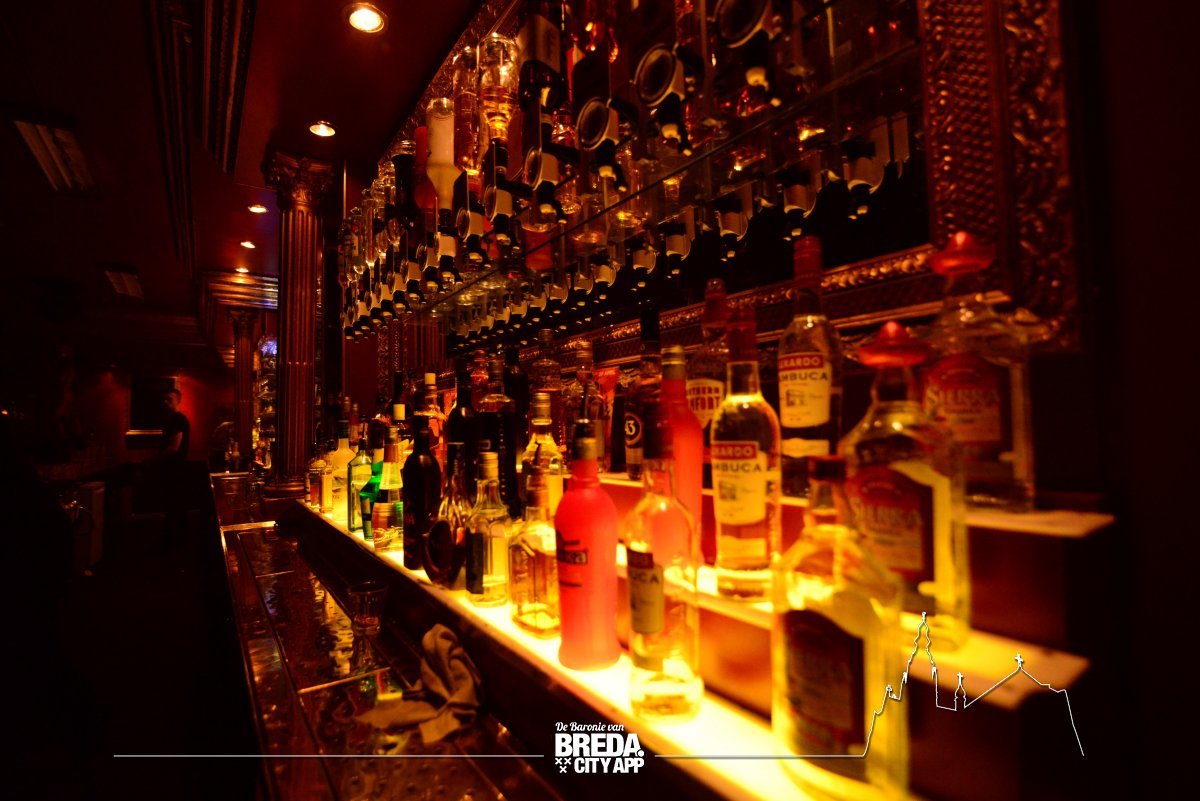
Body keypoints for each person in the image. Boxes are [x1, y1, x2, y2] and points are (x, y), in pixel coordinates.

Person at [158, 388, 191, 544]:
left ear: (178, 401)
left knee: (175, 506)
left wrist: (154, 460)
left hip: (176, 470)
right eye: (164, 399)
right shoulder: (171, 420)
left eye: (169, 399)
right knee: (173, 506)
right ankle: (176, 539)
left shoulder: (178, 419)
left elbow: (174, 447)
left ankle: (175, 541)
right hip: (172, 469)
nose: (165, 402)